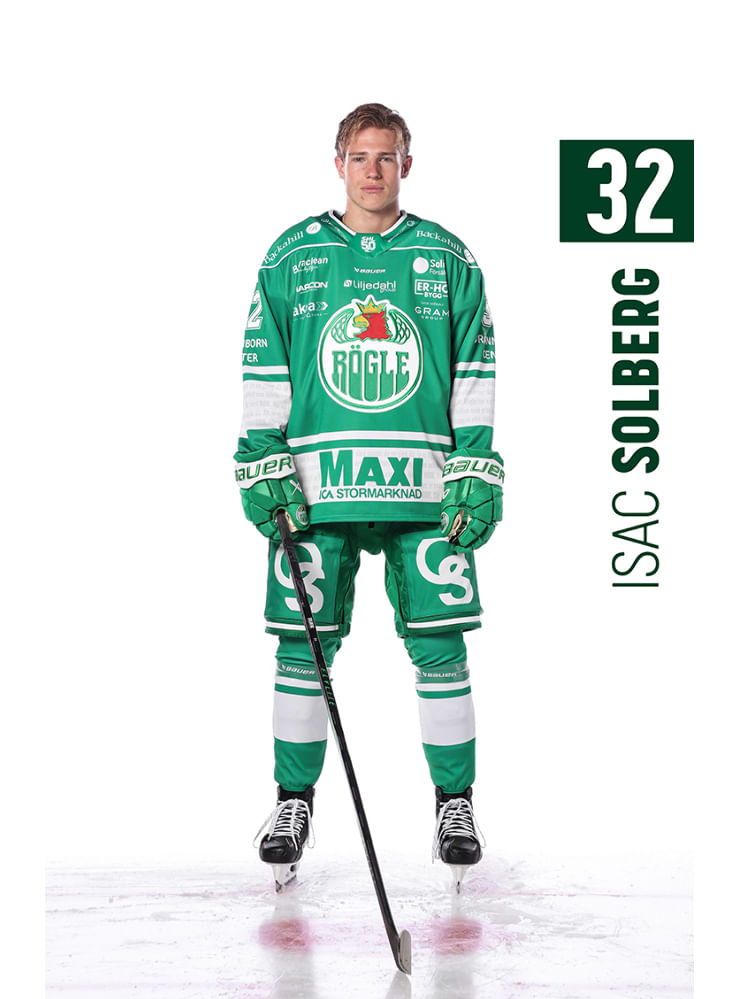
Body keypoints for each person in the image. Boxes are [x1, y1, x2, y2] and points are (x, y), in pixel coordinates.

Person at [235, 103, 504, 891]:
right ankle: (291, 804)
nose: (373, 171)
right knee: (303, 647)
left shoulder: (446, 256)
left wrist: (475, 463)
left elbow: (474, 365)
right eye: (360, 157)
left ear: (406, 165)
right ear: (338, 164)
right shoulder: (292, 255)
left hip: (425, 487)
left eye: (386, 157)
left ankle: (454, 806)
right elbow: (264, 362)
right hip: (316, 488)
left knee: (441, 647)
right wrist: (262, 457)